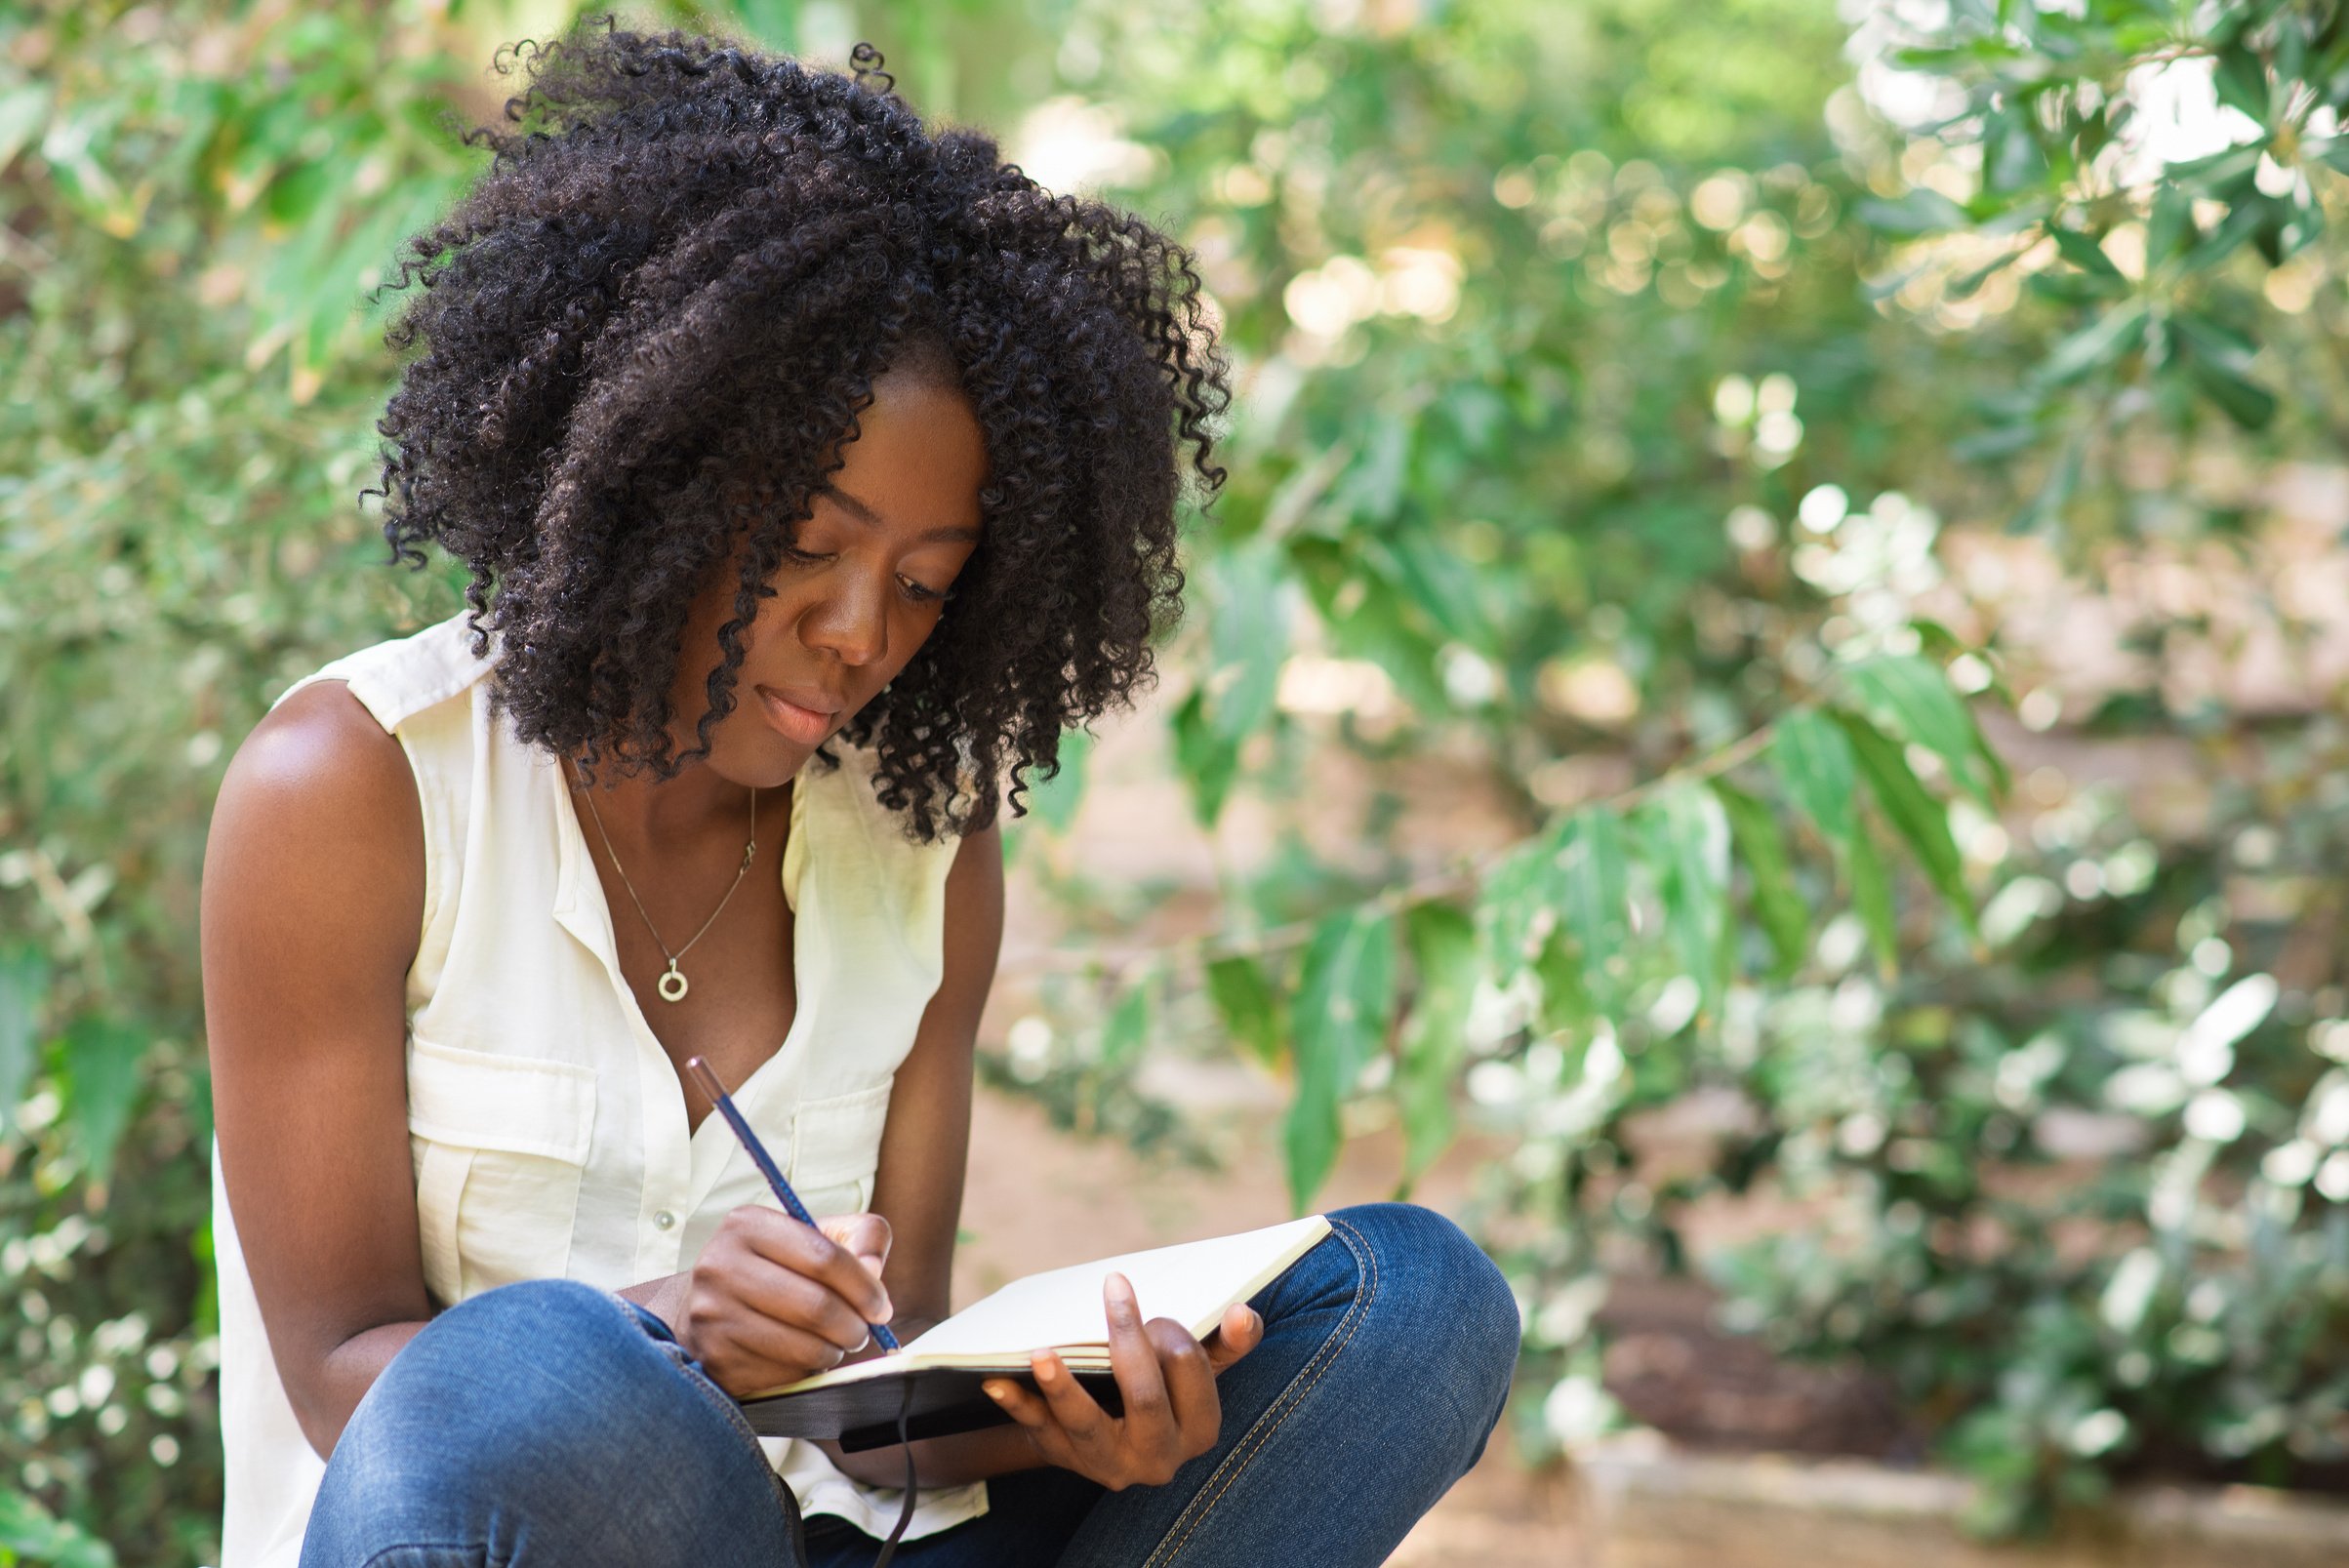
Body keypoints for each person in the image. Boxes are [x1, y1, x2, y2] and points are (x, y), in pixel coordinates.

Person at [200, 21, 1520, 1568]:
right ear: (659, 474)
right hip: (507, 1527)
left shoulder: (921, 839)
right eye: (809, 549)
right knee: (546, 1368)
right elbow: (339, 1373)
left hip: (842, 1541)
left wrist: (1077, 1421)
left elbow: (897, 1393)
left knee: (1411, 1302)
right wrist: (670, 1331)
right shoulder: (354, 790)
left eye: (924, 583)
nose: (858, 632)